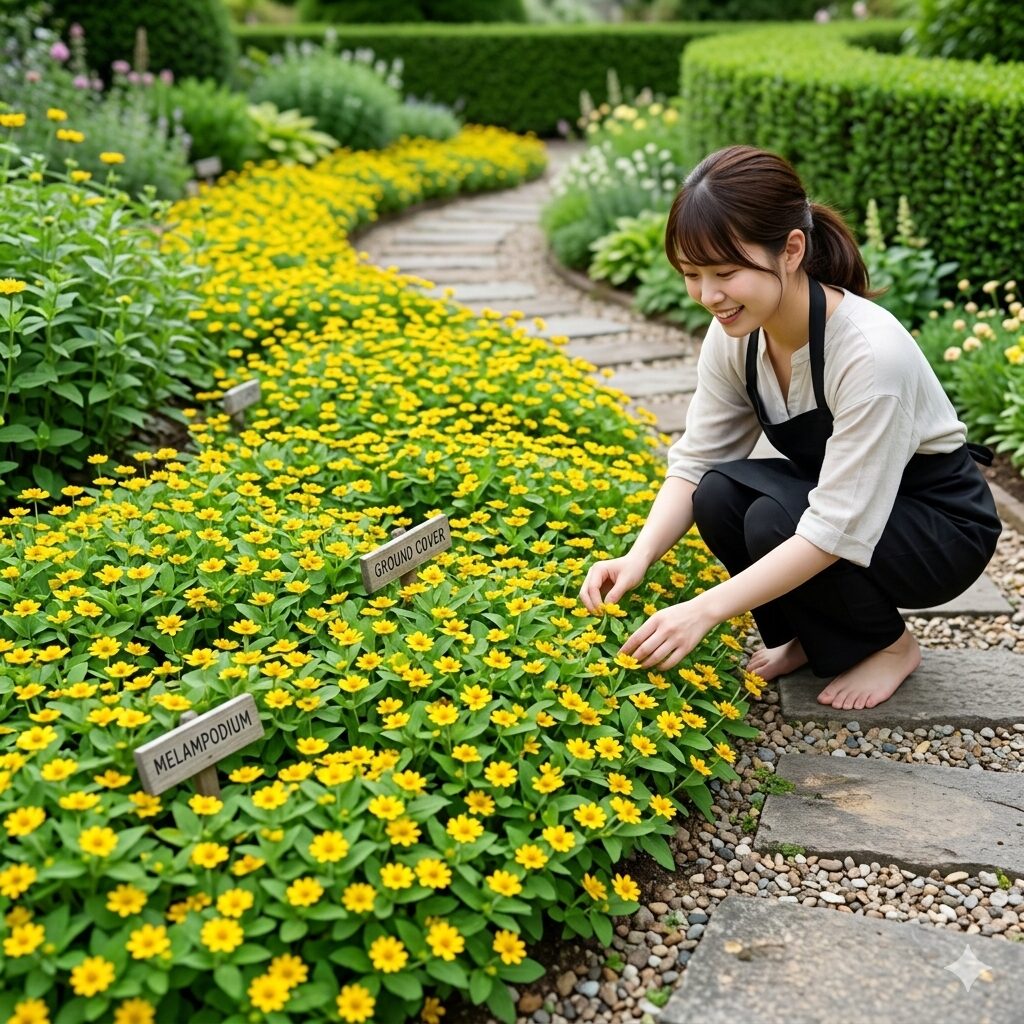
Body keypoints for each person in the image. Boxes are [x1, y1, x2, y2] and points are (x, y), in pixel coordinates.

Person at [578, 144, 1001, 712]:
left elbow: (834, 526)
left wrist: (702, 611)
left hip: (938, 528)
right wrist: (638, 556)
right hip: (851, 504)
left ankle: (891, 646)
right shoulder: (736, 335)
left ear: (792, 250)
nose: (708, 296)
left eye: (726, 272)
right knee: (719, 494)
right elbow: (697, 461)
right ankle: (811, 633)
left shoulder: (870, 354)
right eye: (692, 275)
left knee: (775, 520)